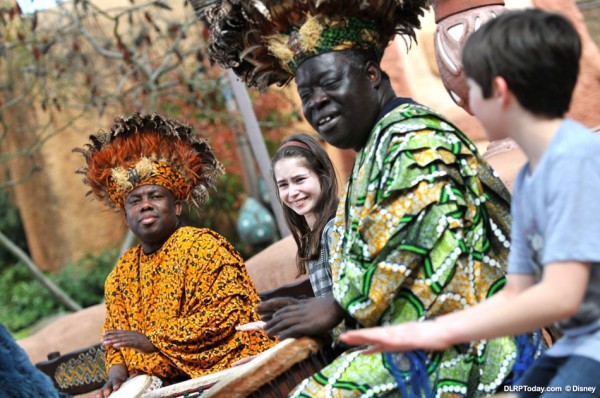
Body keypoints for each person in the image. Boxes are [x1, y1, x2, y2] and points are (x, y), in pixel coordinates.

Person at [196, 1, 543, 396]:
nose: (316, 103)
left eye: (329, 83)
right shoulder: (373, 151)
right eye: (306, 94)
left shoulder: (414, 136)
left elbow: (420, 230)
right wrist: (309, 314)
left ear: (372, 74)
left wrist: (336, 306)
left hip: (474, 350)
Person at [341, 7, 600, 397]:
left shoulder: (574, 159)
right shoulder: (530, 178)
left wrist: (442, 329)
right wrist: (425, 332)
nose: (463, 99)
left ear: (499, 90)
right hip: (580, 345)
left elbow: (561, 295)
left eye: (471, 85)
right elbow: (518, 293)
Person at [74, 113, 276, 397]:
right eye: (135, 201)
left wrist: (153, 342)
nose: (145, 205)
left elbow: (228, 315)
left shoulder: (204, 247)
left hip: (229, 377)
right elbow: (115, 339)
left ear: (177, 206)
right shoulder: (121, 274)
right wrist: (117, 374)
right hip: (163, 387)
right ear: (126, 215)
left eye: (155, 196)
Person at [237, 133, 338, 334]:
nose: (292, 192)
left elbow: (343, 305)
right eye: (283, 185)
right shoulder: (311, 240)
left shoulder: (334, 231)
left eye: (299, 180)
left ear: (322, 176)